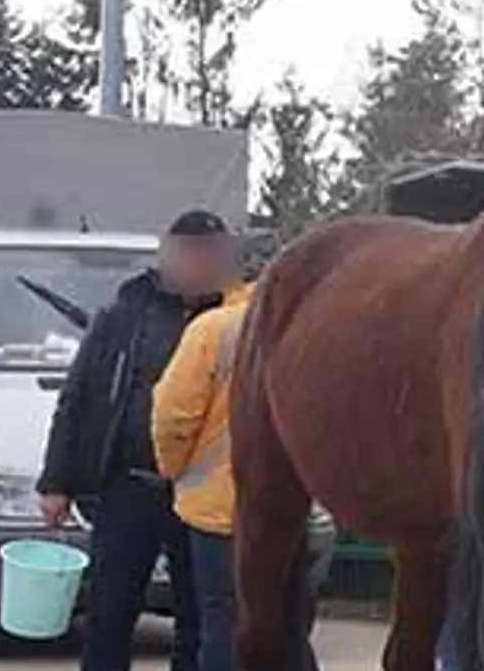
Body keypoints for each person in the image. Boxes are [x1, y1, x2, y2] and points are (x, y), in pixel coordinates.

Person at [37, 210, 237, 671]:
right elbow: (79, 396)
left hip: (200, 494)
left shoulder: (233, 317)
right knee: (109, 613)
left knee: (198, 621)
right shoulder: (124, 314)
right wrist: (56, 482)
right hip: (127, 486)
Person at [152, 272, 325, 671]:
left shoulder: (213, 328)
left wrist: (171, 470)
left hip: (219, 511)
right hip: (293, 508)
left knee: (223, 623)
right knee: (289, 624)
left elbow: (173, 416)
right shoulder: (307, 325)